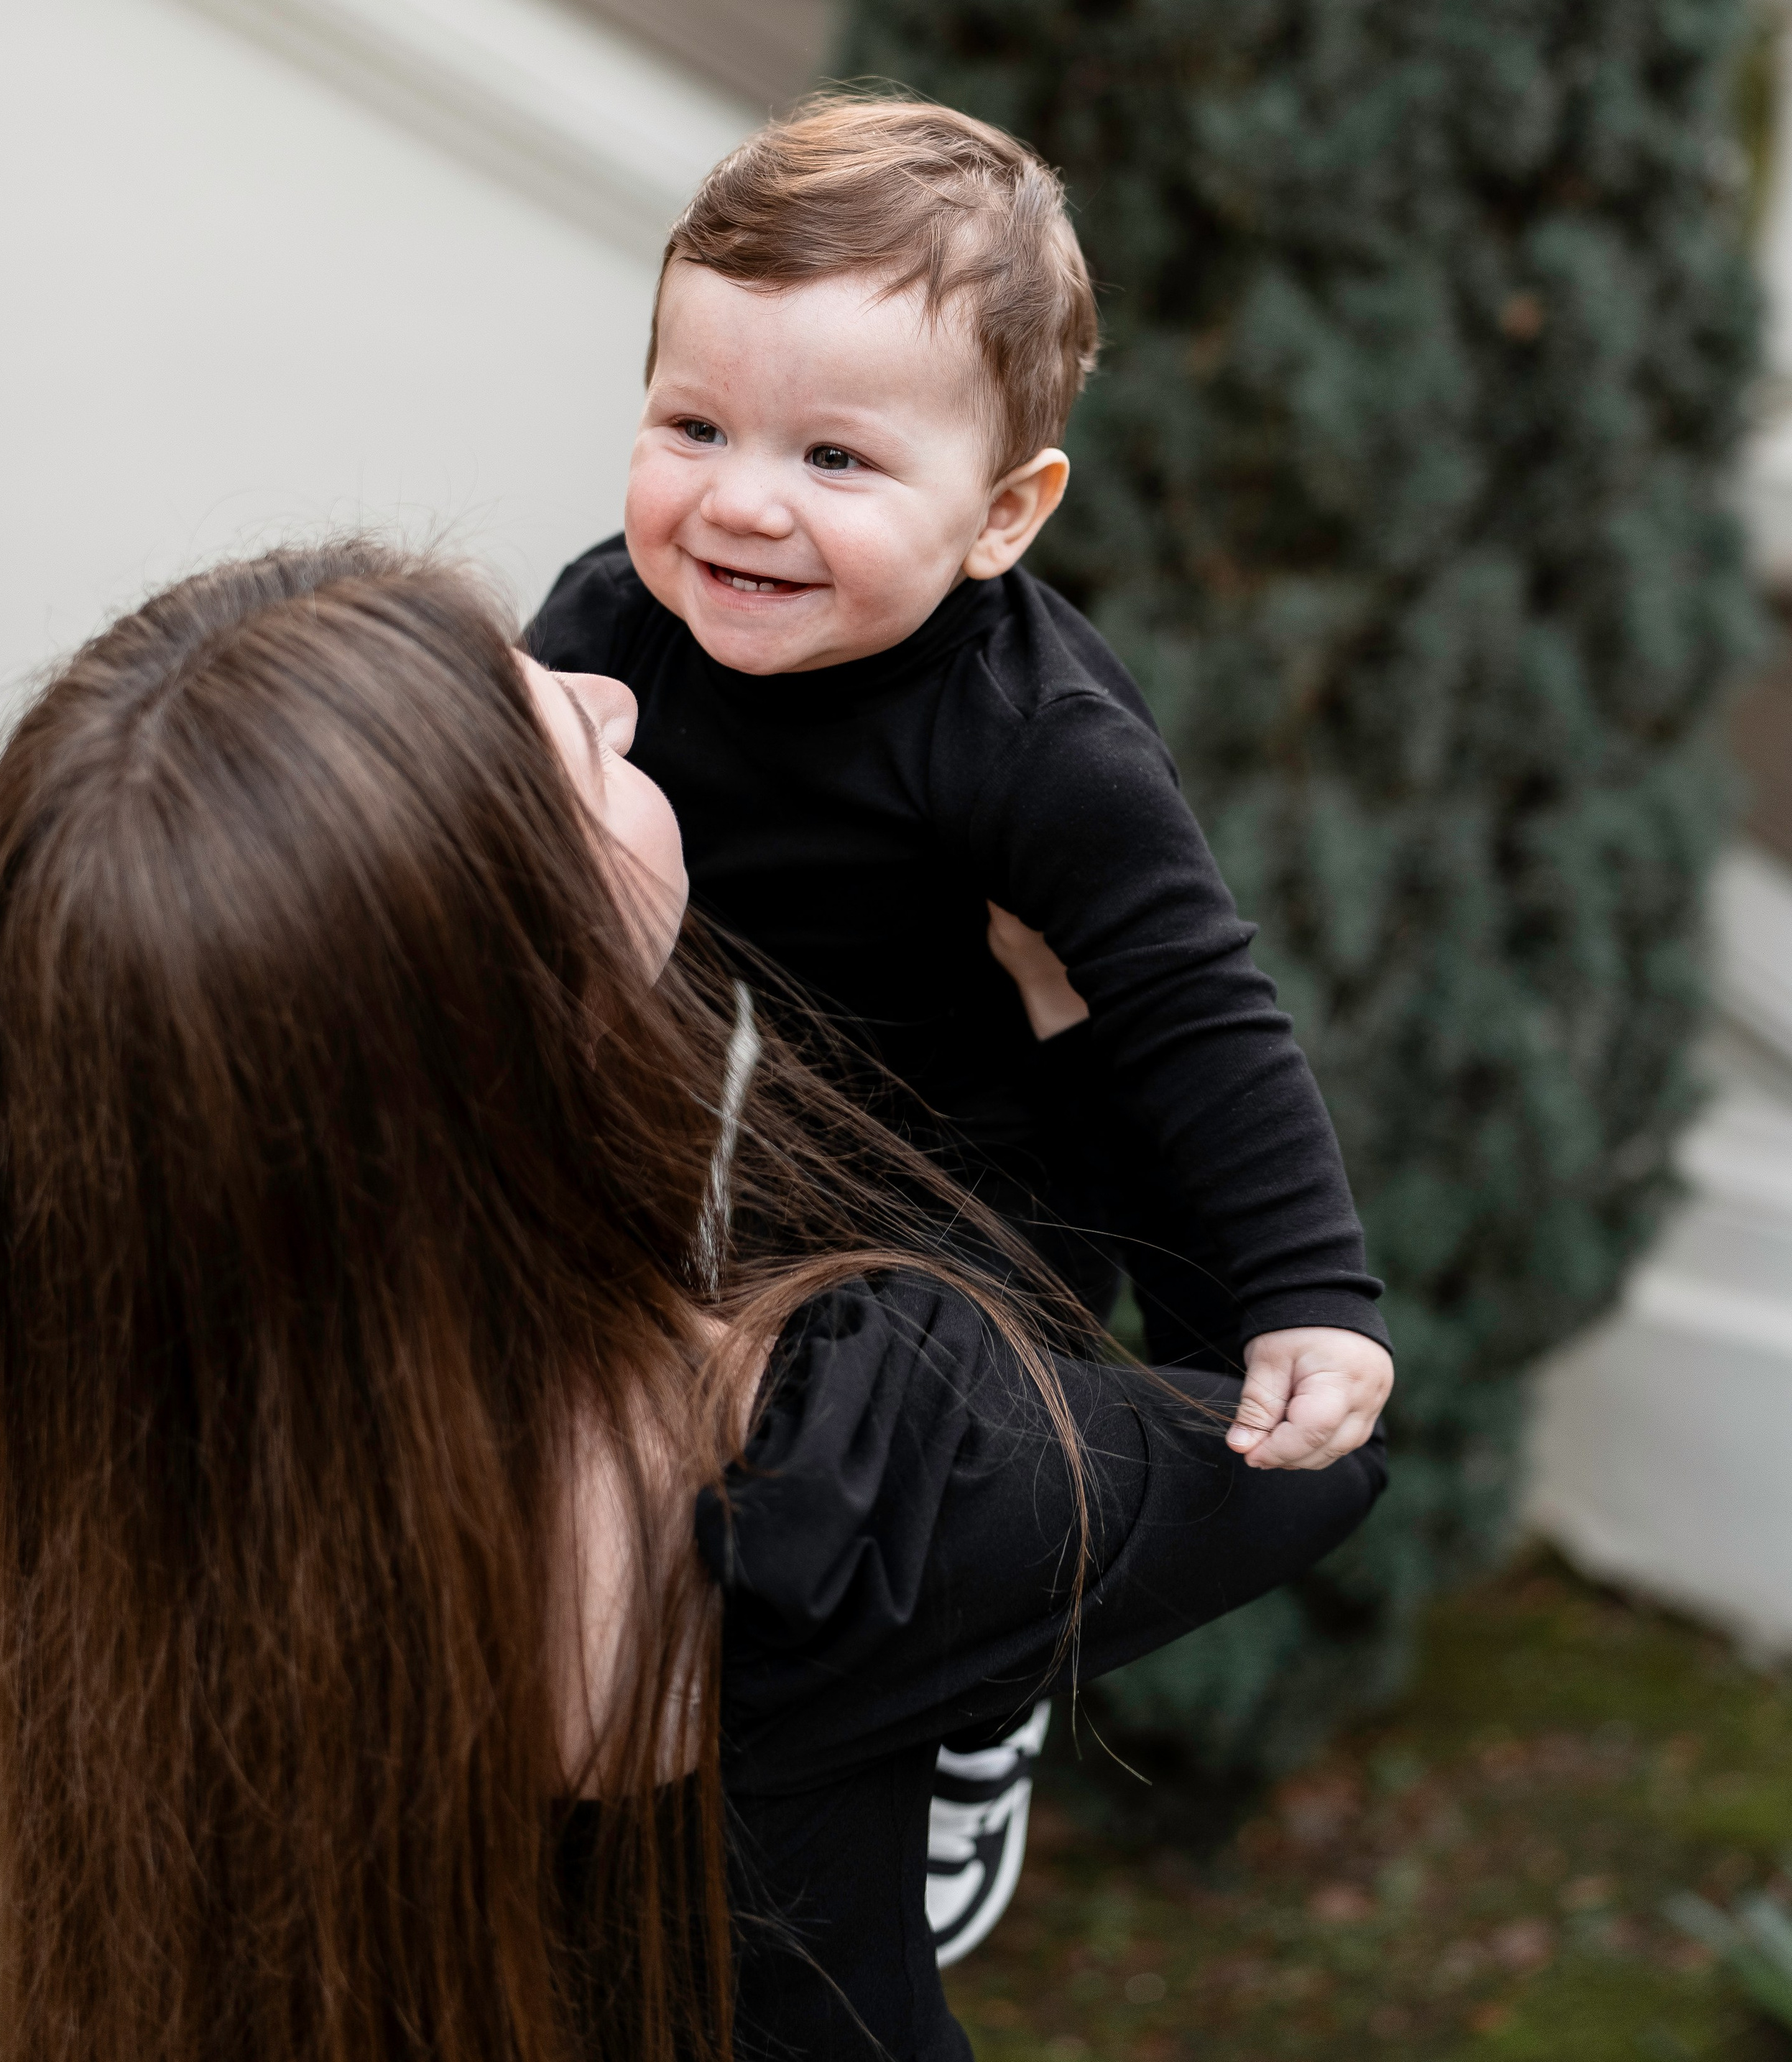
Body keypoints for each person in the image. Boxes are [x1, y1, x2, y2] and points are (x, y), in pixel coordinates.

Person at [0, 540, 1386, 2062]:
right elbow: (1297, 1441)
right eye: (571, 738)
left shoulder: (109, 1476)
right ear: (546, 979)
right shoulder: (848, 1467)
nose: (614, 695)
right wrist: (1081, 1015)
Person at [524, 95, 1394, 1953]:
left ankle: (965, 1716)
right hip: (715, 1121)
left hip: (969, 1168)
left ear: (1005, 512)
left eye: (837, 457)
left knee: (938, 1472)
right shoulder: (613, 620)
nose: (743, 498)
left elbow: (1193, 1005)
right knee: (714, 1470)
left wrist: (1313, 1289)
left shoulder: (1039, 741)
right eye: (694, 426)